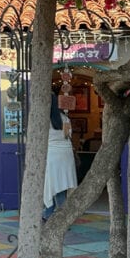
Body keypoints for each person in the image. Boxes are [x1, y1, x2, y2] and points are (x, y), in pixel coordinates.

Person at [43, 91, 78, 219]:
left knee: (50, 185)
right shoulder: (65, 118)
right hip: (66, 156)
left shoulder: (44, 119)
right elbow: (68, 136)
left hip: (52, 155)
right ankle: (62, 217)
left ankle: (49, 213)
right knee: (61, 186)